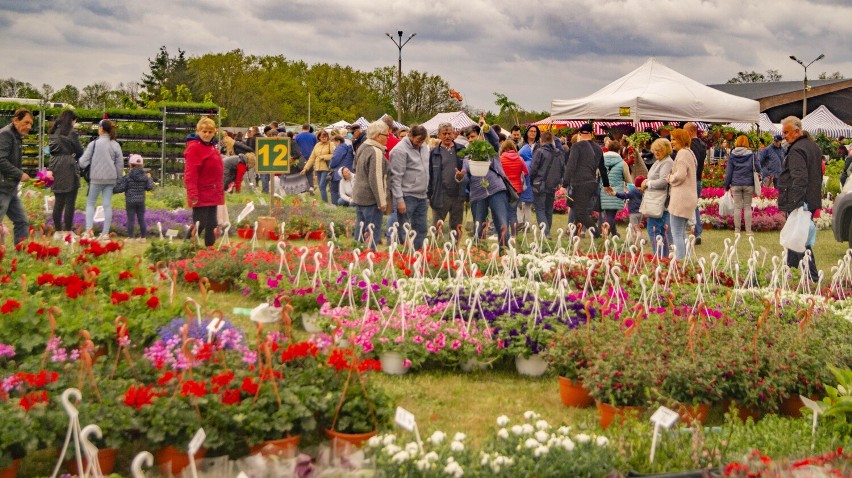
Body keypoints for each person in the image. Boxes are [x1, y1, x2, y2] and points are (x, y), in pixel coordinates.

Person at [779, 116, 823, 282]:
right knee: (795, 238)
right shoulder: (812, 146)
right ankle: (790, 271)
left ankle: (812, 276)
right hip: (810, 199)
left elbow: (800, 178)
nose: (784, 136)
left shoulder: (797, 149)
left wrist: (796, 204)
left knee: (800, 240)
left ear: (797, 132)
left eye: (786, 132)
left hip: (800, 201)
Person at [459, 128, 510, 251]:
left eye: (473, 136)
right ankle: (479, 253)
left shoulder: (490, 149)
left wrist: (486, 127)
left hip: (496, 189)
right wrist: (460, 177)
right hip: (477, 193)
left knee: (501, 221)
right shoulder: (466, 158)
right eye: (468, 138)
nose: (470, 140)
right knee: (478, 225)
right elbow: (466, 178)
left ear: (480, 136)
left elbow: (495, 139)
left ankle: (505, 251)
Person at [564, 123, 613, 237]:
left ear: (580, 134)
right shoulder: (598, 149)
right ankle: (574, 237)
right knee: (579, 212)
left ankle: (597, 234)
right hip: (592, 183)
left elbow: (571, 166)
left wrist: (563, 185)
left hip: (579, 183)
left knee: (580, 213)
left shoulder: (577, 146)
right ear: (592, 134)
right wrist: (606, 184)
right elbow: (602, 169)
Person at [79, 119, 123, 240]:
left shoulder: (93, 144)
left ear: (101, 129)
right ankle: (105, 233)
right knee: (107, 205)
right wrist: (118, 178)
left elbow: (82, 162)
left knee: (90, 203)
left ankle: (88, 231)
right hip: (110, 179)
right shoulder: (115, 144)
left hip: (96, 178)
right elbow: (120, 164)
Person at [184, 117, 224, 247]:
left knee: (212, 224)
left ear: (214, 133)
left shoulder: (211, 147)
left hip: (212, 192)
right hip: (201, 193)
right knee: (199, 224)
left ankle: (209, 252)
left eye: (210, 132)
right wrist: (193, 194)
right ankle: (187, 248)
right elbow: (190, 173)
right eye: (204, 131)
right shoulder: (194, 148)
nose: (207, 134)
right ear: (198, 131)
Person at [389, 125, 430, 250]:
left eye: (423, 141)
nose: (420, 143)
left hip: (422, 195)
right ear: (410, 135)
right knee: (403, 228)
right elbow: (395, 177)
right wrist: (399, 200)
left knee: (421, 228)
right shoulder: (399, 150)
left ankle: (418, 253)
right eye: (418, 140)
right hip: (407, 196)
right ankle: (401, 253)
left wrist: (426, 194)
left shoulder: (423, 147)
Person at [351, 120, 389, 250]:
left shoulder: (362, 147)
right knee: (372, 231)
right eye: (386, 135)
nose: (388, 138)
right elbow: (376, 178)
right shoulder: (376, 151)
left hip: (359, 195)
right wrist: (382, 201)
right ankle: (370, 257)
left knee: (360, 229)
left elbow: (355, 167)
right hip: (371, 199)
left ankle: (357, 254)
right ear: (378, 136)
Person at [47, 109, 84, 233]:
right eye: (74, 121)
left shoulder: (53, 132)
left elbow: (50, 150)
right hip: (68, 165)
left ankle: (58, 231)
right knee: (70, 201)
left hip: (54, 166)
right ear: (71, 120)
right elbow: (79, 151)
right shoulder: (71, 132)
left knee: (58, 201)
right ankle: (68, 231)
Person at [0, 108, 33, 245]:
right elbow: (0, 159)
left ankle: (22, 255)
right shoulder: (6, 134)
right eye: (26, 122)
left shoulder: (16, 136)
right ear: (15, 120)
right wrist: (19, 174)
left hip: (10, 188)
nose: (29, 127)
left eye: (31, 124)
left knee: (22, 221)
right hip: (2, 187)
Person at [428, 122, 467, 236]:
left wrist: (462, 176)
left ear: (454, 134)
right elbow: (430, 175)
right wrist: (429, 194)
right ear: (439, 135)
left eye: (449, 133)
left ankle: (454, 251)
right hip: (441, 194)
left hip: (458, 194)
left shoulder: (461, 150)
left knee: (456, 227)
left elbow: (467, 169)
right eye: (444, 134)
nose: (447, 136)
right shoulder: (433, 153)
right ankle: (435, 250)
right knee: (436, 226)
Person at [666, 129, 698, 261]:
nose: (671, 142)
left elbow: (680, 174)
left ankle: (679, 262)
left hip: (680, 199)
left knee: (677, 233)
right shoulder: (690, 153)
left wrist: (670, 178)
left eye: (674, 139)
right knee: (682, 233)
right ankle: (688, 261)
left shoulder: (682, 154)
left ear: (681, 139)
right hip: (688, 198)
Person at [640, 138, 674, 257]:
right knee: (656, 230)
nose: (656, 153)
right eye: (655, 150)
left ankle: (659, 257)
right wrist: (646, 181)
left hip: (660, 201)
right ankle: (661, 257)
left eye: (659, 150)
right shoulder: (659, 161)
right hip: (654, 199)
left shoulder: (667, 162)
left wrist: (648, 183)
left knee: (654, 230)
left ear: (666, 150)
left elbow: (663, 182)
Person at [529, 131, 563, 237]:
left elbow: (533, 169)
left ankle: (546, 232)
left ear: (541, 140)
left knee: (540, 209)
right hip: (552, 185)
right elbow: (563, 169)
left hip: (540, 184)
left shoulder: (539, 152)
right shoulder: (559, 153)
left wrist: (532, 181)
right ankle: (547, 231)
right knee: (548, 209)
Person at [724, 135, 758, 236]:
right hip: (748, 184)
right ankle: (748, 230)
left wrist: (726, 185)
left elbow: (729, 172)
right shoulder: (752, 155)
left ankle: (737, 230)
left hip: (736, 184)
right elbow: (758, 167)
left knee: (737, 207)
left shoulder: (732, 155)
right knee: (747, 207)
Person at [115, 154, 154, 241]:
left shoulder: (128, 176)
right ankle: (143, 237)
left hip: (130, 200)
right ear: (142, 165)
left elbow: (121, 188)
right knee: (141, 218)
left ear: (130, 165)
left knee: (131, 219)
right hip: (141, 200)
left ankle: (131, 237)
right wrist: (150, 179)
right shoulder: (145, 176)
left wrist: (112, 189)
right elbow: (149, 187)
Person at [599, 138, 631, 237]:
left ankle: (614, 234)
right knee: (611, 215)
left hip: (603, 191)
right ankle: (606, 233)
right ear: (619, 150)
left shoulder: (601, 161)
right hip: (616, 192)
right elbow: (628, 180)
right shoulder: (622, 163)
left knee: (609, 214)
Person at [498, 140, 528, 235]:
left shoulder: (500, 159)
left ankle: (505, 234)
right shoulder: (520, 159)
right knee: (513, 212)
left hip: (504, 188)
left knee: (504, 212)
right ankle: (514, 234)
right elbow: (526, 172)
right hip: (517, 189)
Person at [684, 122, 706, 245]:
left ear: (691, 132)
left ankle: (696, 232)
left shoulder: (690, 146)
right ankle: (697, 231)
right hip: (699, 180)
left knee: (692, 206)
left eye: (685, 131)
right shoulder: (703, 145)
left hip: (691, 179)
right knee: (694, 205)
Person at [301, 129, 334, 203]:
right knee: (320, 186)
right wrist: (305, 168)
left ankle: (325, 203)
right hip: (318, 169)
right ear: (319, 137)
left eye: (325, 136)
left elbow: (334, 155)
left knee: (322, 186)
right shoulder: (317, 145)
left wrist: (324, 156)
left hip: (326, 168)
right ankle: (324, 202)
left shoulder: (331, 144)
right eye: (322, 137)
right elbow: (312, 158)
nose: (324, 138)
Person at [612, 175, 644, 239]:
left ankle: (638, 240)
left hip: (633, 214)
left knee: (633, 228)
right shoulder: (643, 192)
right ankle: (641, 239)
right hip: (640, 213)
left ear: (635, 184)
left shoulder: (633, 192)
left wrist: (616, 193)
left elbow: (624, 196)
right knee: (637, 227)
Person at [328, 135, 354, 205]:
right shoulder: (349, 148)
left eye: (334, 143)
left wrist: (330, 165)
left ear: (338, 141)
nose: (334, 145)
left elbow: (334, 160)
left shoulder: (340, 148)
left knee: (334, 190)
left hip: (339, 172)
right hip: (348, 170)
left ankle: (336, 206)